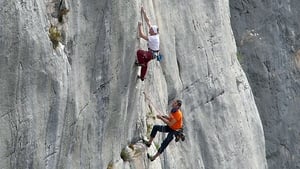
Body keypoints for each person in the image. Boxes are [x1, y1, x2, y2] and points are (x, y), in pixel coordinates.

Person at [136, 7, 160, 81]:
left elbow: (141, 35)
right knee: (145, 63)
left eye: (151, 30)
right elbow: (148, 21)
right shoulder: (154, 33)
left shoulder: (154, 38)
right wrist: (144, 11)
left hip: (151, 54)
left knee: (139, 52)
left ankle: (141, 63)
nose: (149, 30)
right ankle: (142, 77)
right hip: (153, 54)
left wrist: (139, 26)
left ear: (154, 32)